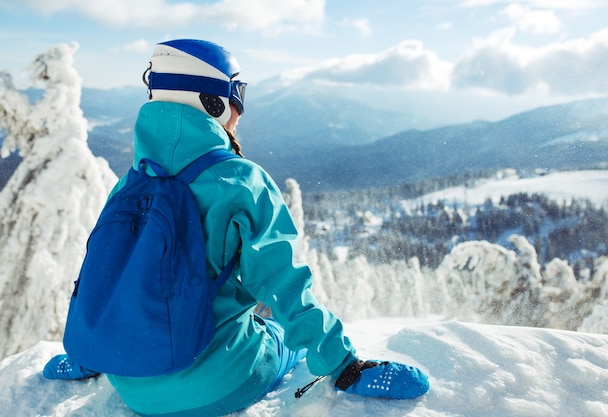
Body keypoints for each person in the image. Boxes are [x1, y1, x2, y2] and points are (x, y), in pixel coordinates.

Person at [43, 39, 429, 416]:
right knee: (278, 332)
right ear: (212, 101)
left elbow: (108, 277)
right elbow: (285, 283)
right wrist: (345, 365)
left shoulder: (130, 182)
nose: (240, 110)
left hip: (131, 386)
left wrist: (88, 356)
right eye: (237, 92)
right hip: (217, 385)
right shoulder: (240, 181)